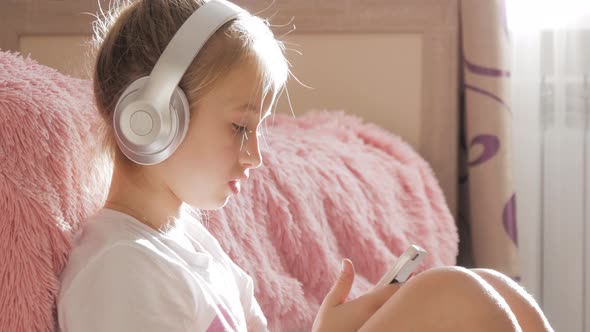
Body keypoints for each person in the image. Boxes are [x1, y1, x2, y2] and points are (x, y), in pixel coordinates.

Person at [56, 0, 555, 331]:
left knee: (497, 296)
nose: (254, 156)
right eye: (240, 127)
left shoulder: (190, 245)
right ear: (154, 119)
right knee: (451, 295)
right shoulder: (119, 269)